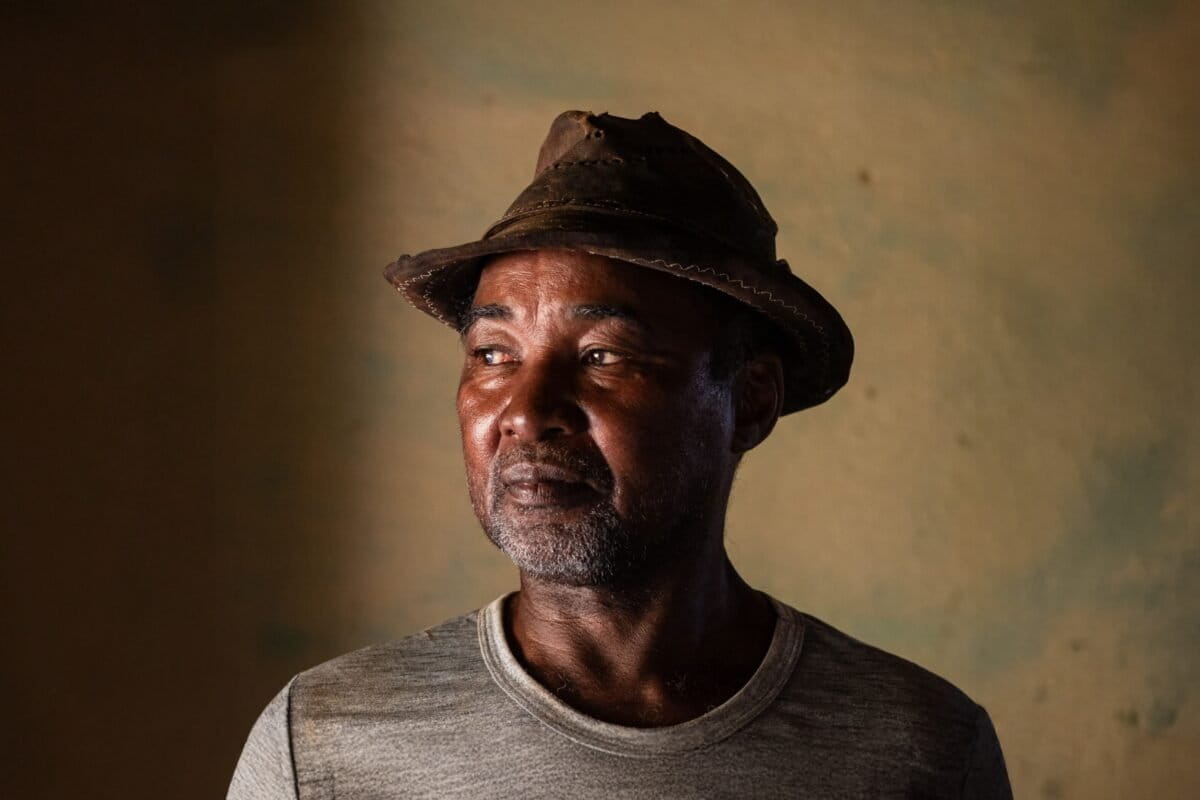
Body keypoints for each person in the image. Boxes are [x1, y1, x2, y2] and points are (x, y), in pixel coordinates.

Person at [228, 110, 1012, 799]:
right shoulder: (324, 745)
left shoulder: (917, 749)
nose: (526, 412)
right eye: (494, 354)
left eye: (604, 355)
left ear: (751, 401)